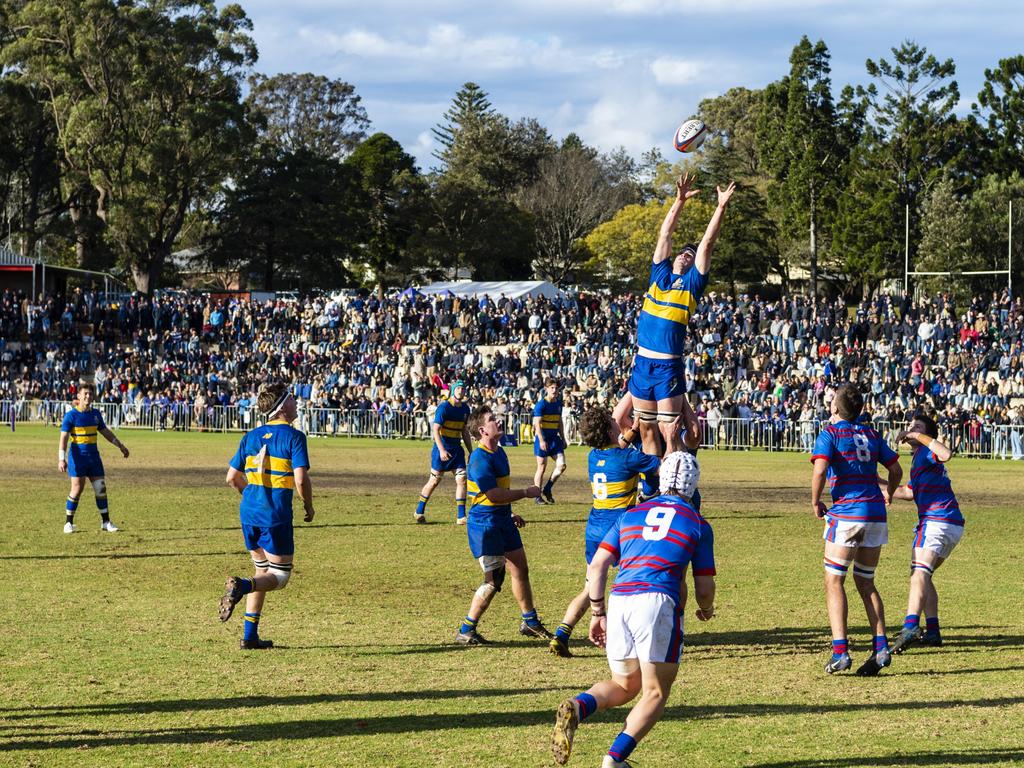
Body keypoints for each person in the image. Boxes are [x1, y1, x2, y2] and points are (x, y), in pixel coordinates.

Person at [551, 451, 715, 768]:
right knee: (654, 693)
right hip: (657, 603)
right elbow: (704, 588)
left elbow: (598, 564)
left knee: (625, 685)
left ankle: (579, 706)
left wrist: (598, 612)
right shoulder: (697, 523)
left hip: (621, 598)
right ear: (693, 486)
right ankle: (614, 759)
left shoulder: (631, 514)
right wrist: (705, 608)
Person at [627, 173, 735, 460]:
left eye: (690, 255)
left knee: (669, 431)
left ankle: (672, 489)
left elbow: (707, 244)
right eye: (683, 253)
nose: (685, 256)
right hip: (642, 362)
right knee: (647, 431)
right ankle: (652, 490)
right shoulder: (658, 274)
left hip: (667, 367)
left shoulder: (692, 285)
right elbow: (665, 235)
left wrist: (720, 207)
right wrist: (678, 202)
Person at [549, 406, 661, 658]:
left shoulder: (592, 456)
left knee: (591, 588)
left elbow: (618, 449)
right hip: (620, 527)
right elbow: (660, 466)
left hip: (595, 526)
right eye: (613, 422)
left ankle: (562, 633)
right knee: (631, 585)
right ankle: (628, 637)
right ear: (610, 430)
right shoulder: (629, 459)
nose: (616, 423)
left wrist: (633, 430)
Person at [811, 383, 903, 676]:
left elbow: (821, 469)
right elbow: (897, 470)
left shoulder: (831, 433)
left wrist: (815, 501)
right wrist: (887, 493)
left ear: (835, 408)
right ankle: (881, 648)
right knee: (866, 582)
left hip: (848, 514)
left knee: (834, 581)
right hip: (875, 514)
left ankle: (841, 653)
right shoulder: (872, 434)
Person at [218, 383, 316, 650]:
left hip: (249, 513)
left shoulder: (250, 436)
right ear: (283, 407)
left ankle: (249, 636)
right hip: (275, 516)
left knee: (262, 570)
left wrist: (253, 499)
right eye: (292, 399)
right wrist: (308, 504)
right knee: (279, 577)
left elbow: (231, 478)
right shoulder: (295, 438)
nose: (297, 402)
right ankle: (241, 585)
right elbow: (300, 479)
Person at [456, 406, 552, 645]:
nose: (497, 421)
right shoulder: (479, 459)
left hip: (501, 519)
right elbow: (493, 494)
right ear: (482, 430)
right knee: (493, 580)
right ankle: (466, 630)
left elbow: (497, 496)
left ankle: (529, 621)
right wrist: (525, 493)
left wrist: (509, 514)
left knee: (520, 567)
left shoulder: (499, 452)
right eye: (491, 420)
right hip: (485, 524)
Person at [888, 412, 964, 653]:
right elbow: (908, 492)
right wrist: (874, 482)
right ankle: (933, 631)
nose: (911, 429)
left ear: (926, 435)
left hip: (937, 521)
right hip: (950, 523)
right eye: (911, 426)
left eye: (917, 427)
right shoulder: (919, 458)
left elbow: (946, 454)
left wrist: (916, 435)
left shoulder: (928, 451)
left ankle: (911, 625)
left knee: (919, 574)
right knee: (923, 574)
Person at [58, 383, 129, 533]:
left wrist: (120, 445)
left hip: (94, 458)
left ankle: (106, 522)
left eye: (90, 394)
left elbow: (106, 433)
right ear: (79, 396)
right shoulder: (71, 415)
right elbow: (63, 438)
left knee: (100, 489)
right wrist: (61, 458)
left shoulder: (96, 414)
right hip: (77, 457)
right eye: (85, 393)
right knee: (77, 489)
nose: (88, 396)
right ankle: (68, 523)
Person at [415, 381, 472, 524]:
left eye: (463, 388)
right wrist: (441, 450)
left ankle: (461, 517)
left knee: (462, 480)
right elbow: (435, 430)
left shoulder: (465, 409)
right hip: (442, 449)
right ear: (452, 390)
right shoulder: (444, 407)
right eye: (458, 388)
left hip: (457, 450)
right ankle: (419, 511)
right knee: (434, 481)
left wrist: (471, 451)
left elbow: (464, 431)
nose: (461, 390)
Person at [533, 378, 568, 504]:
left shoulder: (558, 404)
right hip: (543, 439)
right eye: (552, 388)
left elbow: (560, 422)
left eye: (556, 388)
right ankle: (537, 496)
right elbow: (537, 424)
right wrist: (541, 440)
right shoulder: (541, 404)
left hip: (554, 439)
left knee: (562, 465)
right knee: (541, 467)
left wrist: (563, 438)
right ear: (546, 389)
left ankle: (547, 488)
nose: (554, 390)